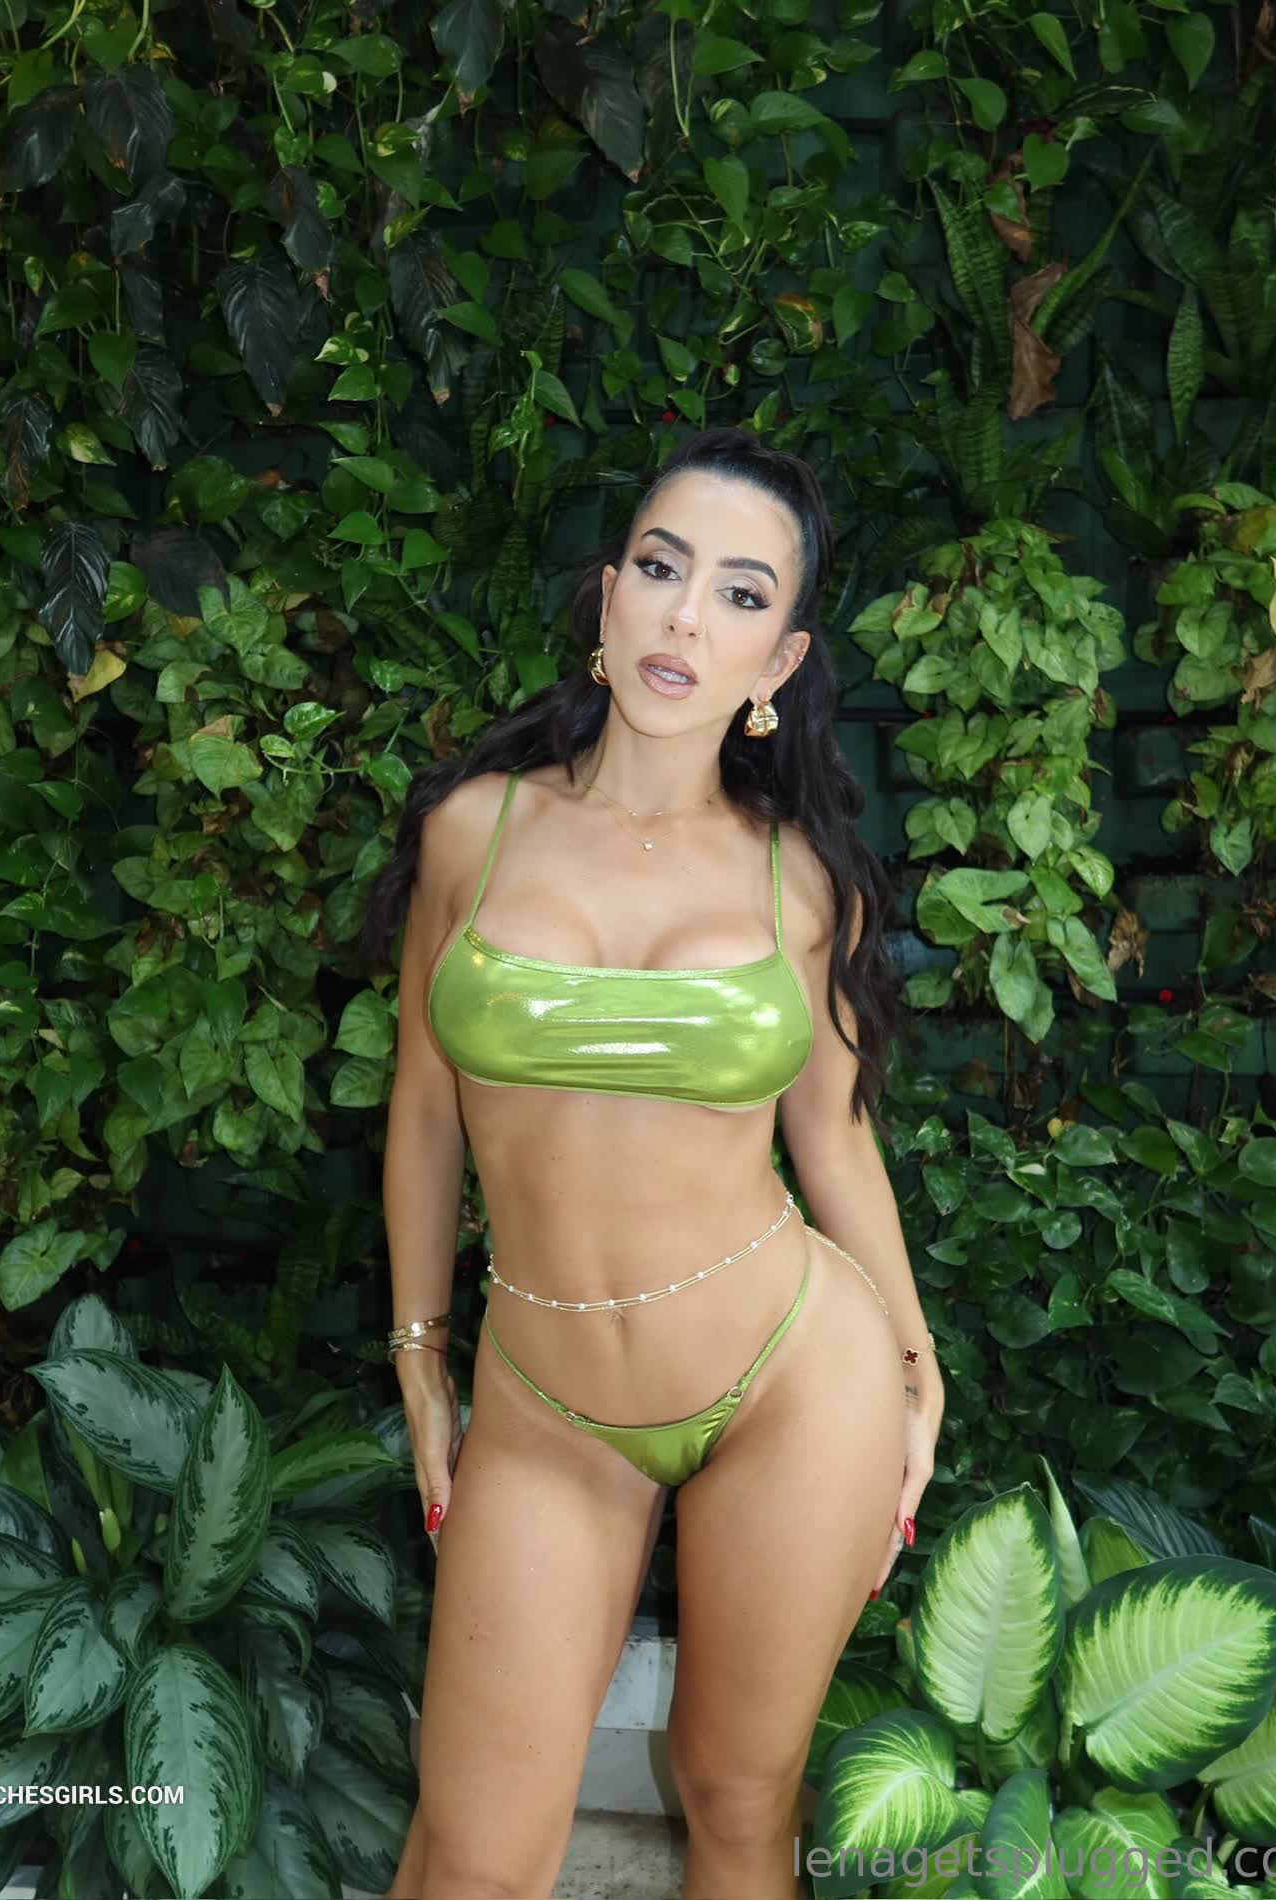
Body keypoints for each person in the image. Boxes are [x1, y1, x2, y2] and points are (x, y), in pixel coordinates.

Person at [361, 426, 945, 1900]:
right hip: (546, 1400)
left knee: (736, 1799)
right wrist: (421, 1352)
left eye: (740, 595)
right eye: (663, 569)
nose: (688, 618)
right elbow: (424, 1111)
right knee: (475, 1858)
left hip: (787, 1379)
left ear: (779, 659)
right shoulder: (473, 833)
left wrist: (913, 1359)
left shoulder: (801, 878)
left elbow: (832, 1137)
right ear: (609, 594)